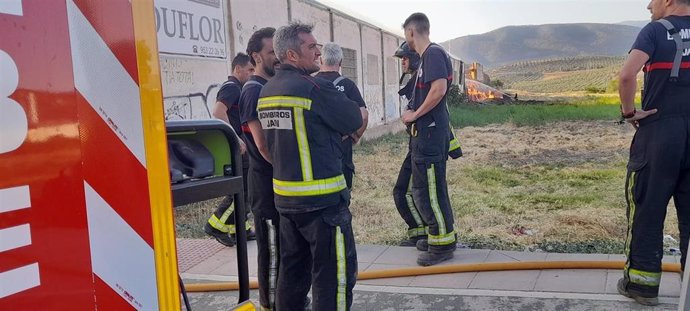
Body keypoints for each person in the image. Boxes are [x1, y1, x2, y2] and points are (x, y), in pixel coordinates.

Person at [258, 22, 362, 311]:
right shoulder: (314, 89)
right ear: (292, 55)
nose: (318, 52)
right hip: (323, 205)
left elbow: (270, 145)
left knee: (292, 274)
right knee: (334, 279)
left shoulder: (266, 91)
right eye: (311, 47)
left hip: (286, 203)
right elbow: (354, 119)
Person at [616, 0, 690, 306]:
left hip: (659, 132)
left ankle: (642, 287)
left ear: (669, 1)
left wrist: (630, 112)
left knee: (647, 208)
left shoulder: (654, 32)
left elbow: (626, 76)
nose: (649, 6)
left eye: (654, 0)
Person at [392, 42, 463, 248]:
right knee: (402, 192)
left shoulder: (427, 84)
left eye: (405, 57)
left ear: (415, 58)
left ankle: (442, 242)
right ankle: (421, 234)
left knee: (430, 193)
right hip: (417, 143)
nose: (403, 62)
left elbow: (440, 112)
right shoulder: (416, 83)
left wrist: (450, 145)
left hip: (428, 144)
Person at [401, 13, 457, 266]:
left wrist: (415, 114)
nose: (407, 41)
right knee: (422, 190)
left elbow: (438, 90)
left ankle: (443, 245)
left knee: (431, 192)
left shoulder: (433, 54)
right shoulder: (427, 58)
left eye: (406, 35)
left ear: (412, 32)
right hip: (424, 136)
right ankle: (436, 237)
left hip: (430, 135)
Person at [239, 27, 282, 311]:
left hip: (275, 183)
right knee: (271, 249)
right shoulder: (252, 90)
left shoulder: (268, 87)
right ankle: (271, 304)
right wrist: (285, 169)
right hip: (265, 185)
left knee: (280, 245)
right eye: (271, 53)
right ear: (256, 56)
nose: (277, 58)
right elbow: (263, 144)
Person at [204, 53, 255, 247]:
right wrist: (235, 139)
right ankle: (215, 225)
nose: (252, 74)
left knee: (246, 188)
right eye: (249, 70)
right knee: (243, 190)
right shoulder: (232, 87)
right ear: (237, 69)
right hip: (238, 148)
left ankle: (239, 229)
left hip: (240, 147)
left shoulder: (238, 88)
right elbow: (218, 112)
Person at [315, 42, 369, 189]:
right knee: (343, 193)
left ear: (320, 60)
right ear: (340, 62)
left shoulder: (310, 83)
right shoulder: (347, 85)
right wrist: (355, 136)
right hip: (342, 147)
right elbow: (363, 115)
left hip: (317, 149)